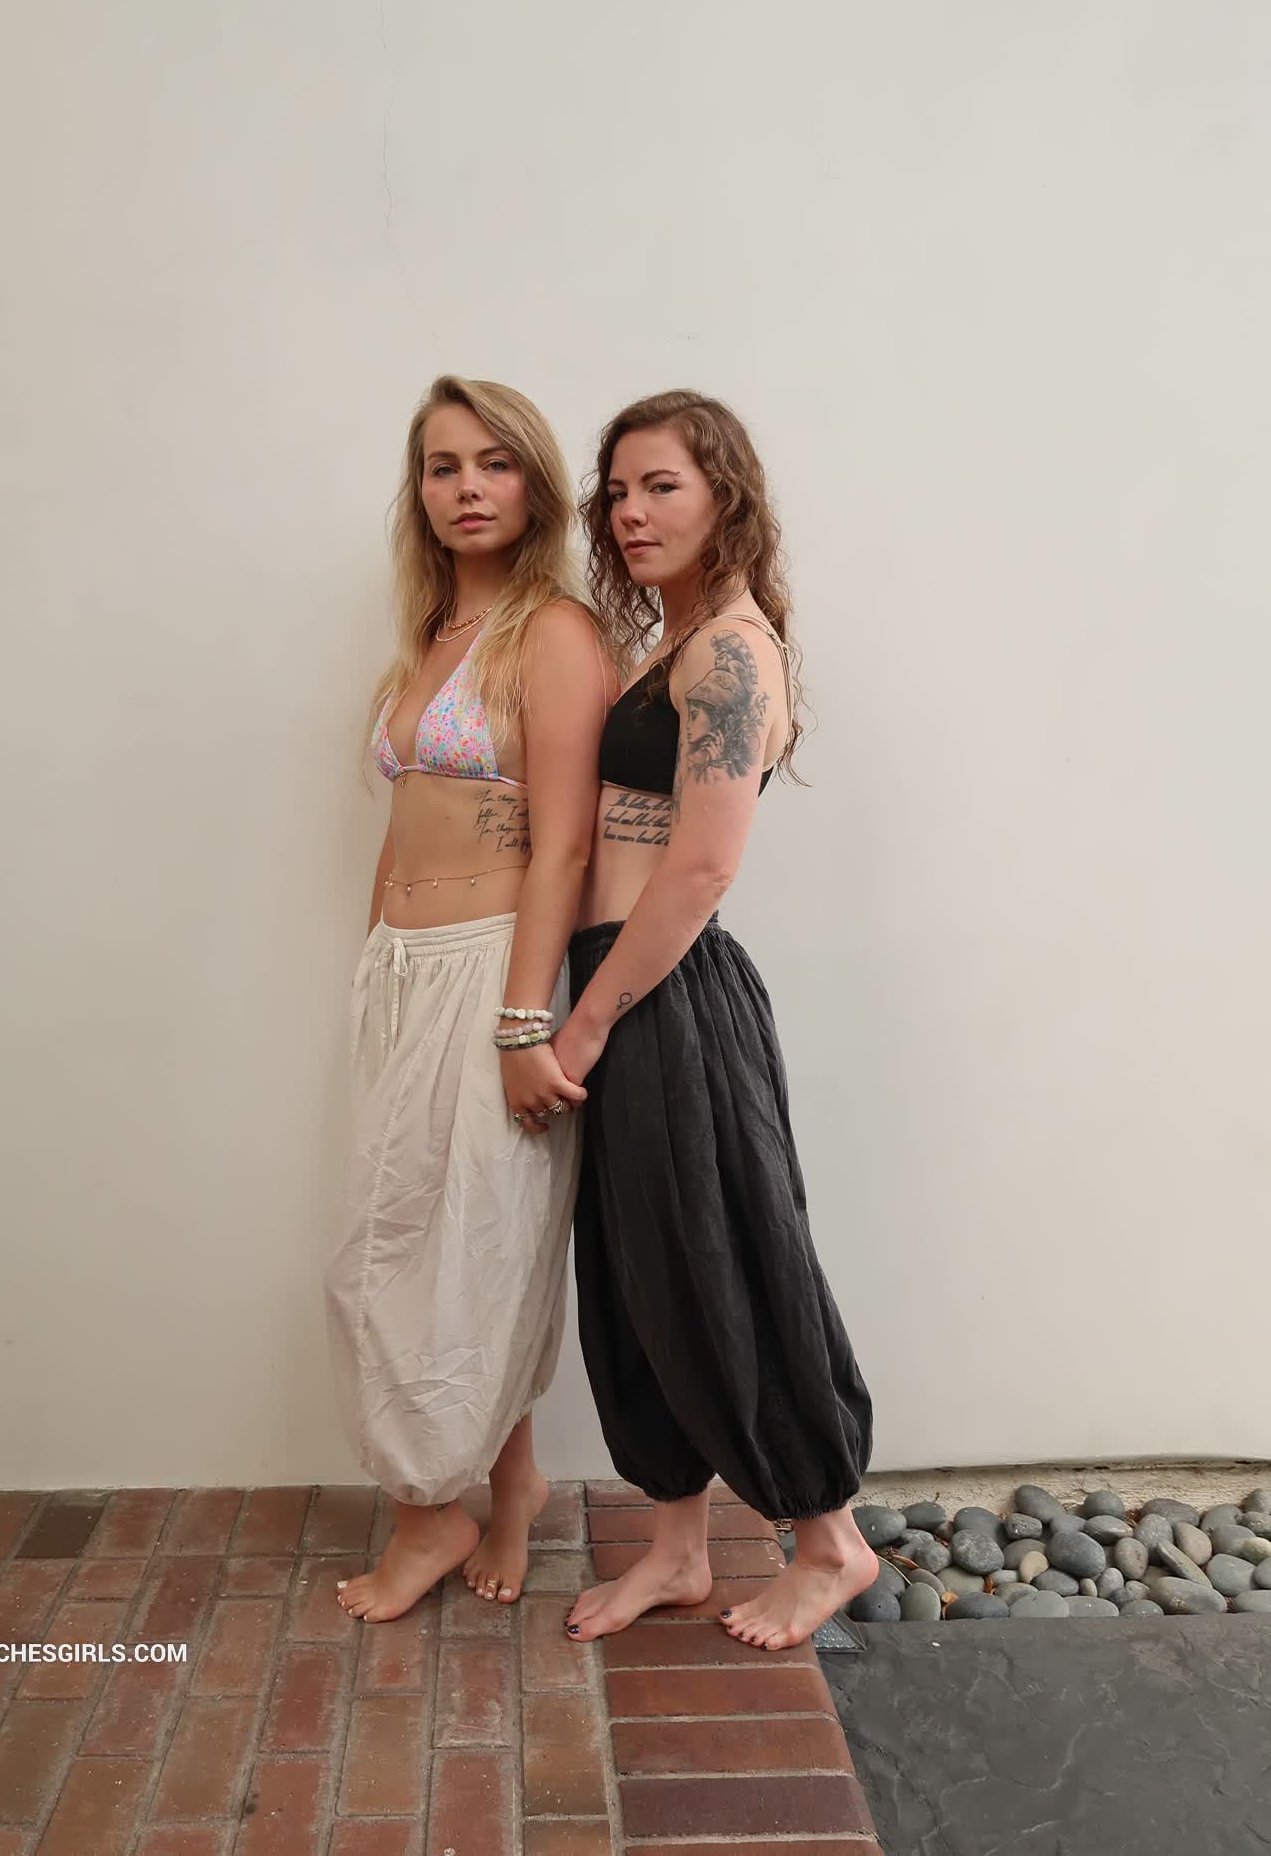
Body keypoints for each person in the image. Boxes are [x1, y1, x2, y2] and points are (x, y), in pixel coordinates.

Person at [553, 389, 878, 1651]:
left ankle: (830, 1542)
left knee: (727, 1258)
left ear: (725, 495)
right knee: (642, 1273)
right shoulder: (675, 640)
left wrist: (590, 1022)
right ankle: (679, 1548)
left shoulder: (731, 652)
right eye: (617, 493)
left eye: (661, 487)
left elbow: (700, 868)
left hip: (663, 996)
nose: (630, 514)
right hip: (624, 984)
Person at [325, 375, 616, 1622]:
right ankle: (513, 1485)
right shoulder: (435, 628)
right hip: (402, 970)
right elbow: (408, 813)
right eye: (443, 466)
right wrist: (377, 960)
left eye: (494, 464)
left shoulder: (553, 634)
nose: (467, 488)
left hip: (492, 965)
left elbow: (564, 843)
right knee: (450, 1241)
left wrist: (520, 1016)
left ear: (534, 485)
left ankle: (426, 1517)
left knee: (422, 1258)